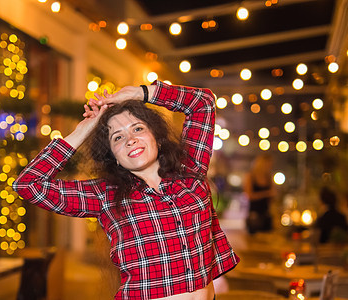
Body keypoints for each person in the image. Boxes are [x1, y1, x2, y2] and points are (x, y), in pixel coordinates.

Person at [13, 81, 240, 300]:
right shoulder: (105, 195)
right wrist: (83, 131)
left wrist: (140, 92)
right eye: (118, 137)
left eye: (138, 128)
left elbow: (203, 103)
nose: (130, 140)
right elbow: (29, 184)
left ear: (157, 138)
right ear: (115, 157)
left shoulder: (190, 170)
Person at [243, 153, 276, 234]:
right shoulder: (251, 176)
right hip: (254, 213)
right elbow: (249, 195)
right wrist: (266, 193)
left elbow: (272, 195)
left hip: (266, 213)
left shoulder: (268, 177)